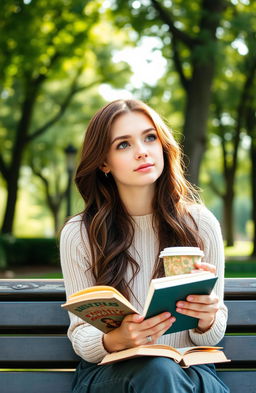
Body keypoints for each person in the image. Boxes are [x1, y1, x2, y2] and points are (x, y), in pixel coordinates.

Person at [60, 99, 229, 393]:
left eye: (150, 137)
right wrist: (117, 339)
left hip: (190, 373)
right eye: (123, 145)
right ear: (103, 162)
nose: (142, 151)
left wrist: (207, 318)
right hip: (112, 374)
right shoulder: (81, 233)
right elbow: (81, 336)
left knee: (163, 372)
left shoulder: (201, 224)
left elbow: (211, 337)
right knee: (155, 370)